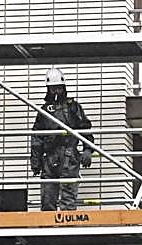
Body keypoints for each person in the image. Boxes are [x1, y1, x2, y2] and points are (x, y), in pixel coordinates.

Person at [30, 68, 94, 211]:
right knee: (48, 198)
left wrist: (88, 150)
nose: (56, 92)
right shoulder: (44, 111)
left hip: (69, 155)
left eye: (58, 88)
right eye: (53, 89)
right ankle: (48, 231)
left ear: (63, 88)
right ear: (48, 89)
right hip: (50, 157)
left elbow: (85, 128)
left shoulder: (73, 108)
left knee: (68, 198)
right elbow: (37, 136)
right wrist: (36, 161)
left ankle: (67, 230)